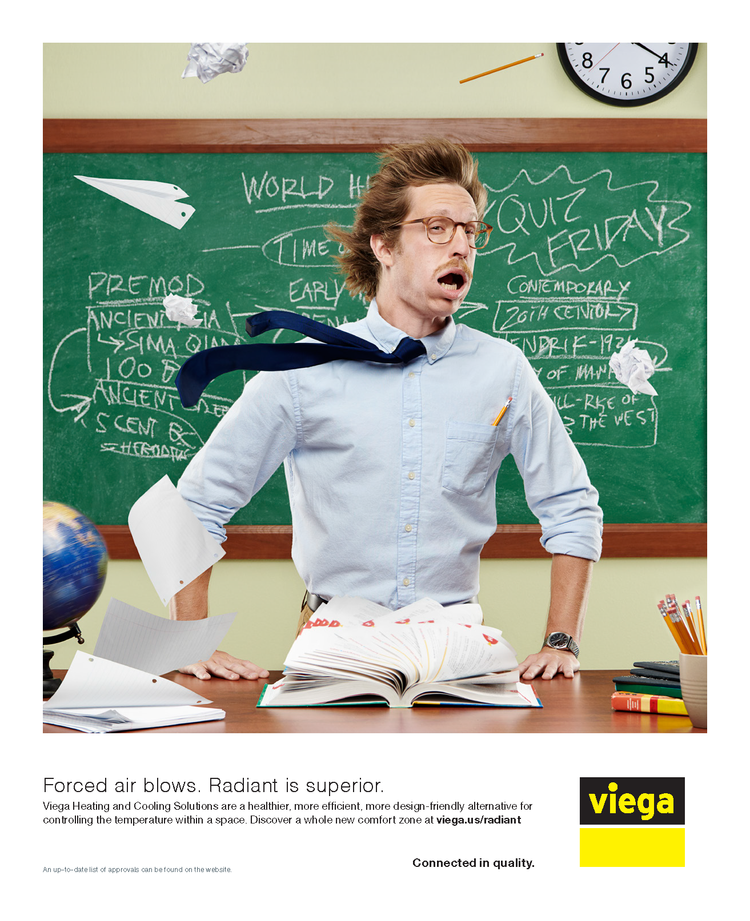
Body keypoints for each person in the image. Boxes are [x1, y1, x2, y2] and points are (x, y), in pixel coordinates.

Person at [170, 137, 602, 682]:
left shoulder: (503, 371)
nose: (462, 246)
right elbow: (197, 504)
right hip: (334, 647)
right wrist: (189, 641)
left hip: (454, 649)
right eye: (438, 227)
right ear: (384, 245)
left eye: (471, 231)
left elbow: (571, 506)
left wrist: (562, 642)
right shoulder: (303, 370)